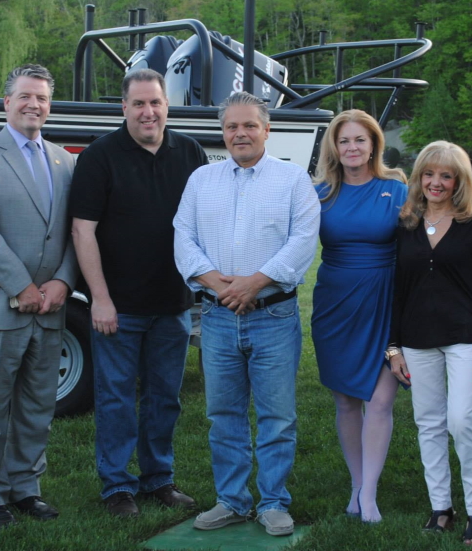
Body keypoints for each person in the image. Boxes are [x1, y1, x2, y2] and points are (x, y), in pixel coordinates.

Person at [173, 92, 320, 537]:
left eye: (249, 126)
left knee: (277, 416)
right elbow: (183, 236)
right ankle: (233, 500)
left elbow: (302, 241)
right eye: (232, 127)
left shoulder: (293, 180)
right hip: (217, 318)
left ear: (266, 129)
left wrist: (253, 283)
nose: (240, 134)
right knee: (224, 414)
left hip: (273, 317)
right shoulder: (202, 180)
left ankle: (273, 501)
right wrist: (222, 286)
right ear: (223, 133)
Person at [70, 69, 207, 517]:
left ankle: (158, 480)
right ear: (123, 108)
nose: (148, 112)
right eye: (139, 104)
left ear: (167, 105)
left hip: (172, 305)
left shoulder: (189, 152)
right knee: (114, 400)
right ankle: (116, 488)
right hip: (119, 307)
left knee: (164, 397)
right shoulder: (99, 157)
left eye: (156, 103)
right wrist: (100, 298)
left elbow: (205, 223)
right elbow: (82, 231)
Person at [0, 64, 77, 530]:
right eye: (25, 96)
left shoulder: (67, 161)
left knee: (36, 407)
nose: (34, 105)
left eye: (42, 98)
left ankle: (26, 488)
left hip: (50, 309)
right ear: (6, 103)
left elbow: (75, 233)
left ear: (50, 105)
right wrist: (21, 286)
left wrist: (63, 282)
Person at [387, 140, 472, 545]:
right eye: (429, 174)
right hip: (416, 341)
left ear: (458, 181)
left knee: (463, 421)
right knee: (428, 424)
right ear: (419, 178)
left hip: (467, 338)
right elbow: (397, 290)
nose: (436, 182)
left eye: (446, 175)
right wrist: (393, 347)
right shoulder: (405, 226)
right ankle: (441, 508)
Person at [310, 110, 407, 523]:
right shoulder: (318, 193)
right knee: (347, 402)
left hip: (385, 301)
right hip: (335, 305)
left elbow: (432, 228)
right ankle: (356, 484)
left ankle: (370, 495)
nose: (351, 147)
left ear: (373, 146)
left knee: (381, 400)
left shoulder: (397, 188)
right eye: (344, 140)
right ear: (334, 147)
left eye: (359, 140)